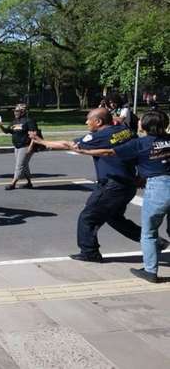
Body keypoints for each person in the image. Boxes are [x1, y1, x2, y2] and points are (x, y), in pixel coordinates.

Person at [32, 108, 167, 263]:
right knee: (114, 218)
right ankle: (155, 242)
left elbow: (68, 144)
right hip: (128, 184)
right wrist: (140, 176)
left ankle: (90, 252)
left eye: (88, 119)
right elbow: (138, 153)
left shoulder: (97, 137)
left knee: (88, 217)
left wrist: (42, 142)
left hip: (112, 185)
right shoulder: (125, 130)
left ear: (98, 122)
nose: (86, 122)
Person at [73, 110, 170, 282]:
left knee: (149, 232)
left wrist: (83, 151)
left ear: (145, 125)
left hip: (157, 188)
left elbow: (110, 152)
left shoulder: (140, 143)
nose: (138, 122)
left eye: (140, 120)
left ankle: (150, 271)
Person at [0, 104, 38, 190]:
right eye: (15, 111)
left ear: (23, 111)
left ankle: (13, 183)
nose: (15, 112)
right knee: (24, 165)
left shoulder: (29, 121)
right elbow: (7, 131)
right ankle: (29, 182)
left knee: (19, 165)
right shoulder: (15, 121)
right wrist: (1, 126)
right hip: (17, 147)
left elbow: (34, 135)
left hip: (26, 146)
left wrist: (31, 147)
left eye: (17, 111)